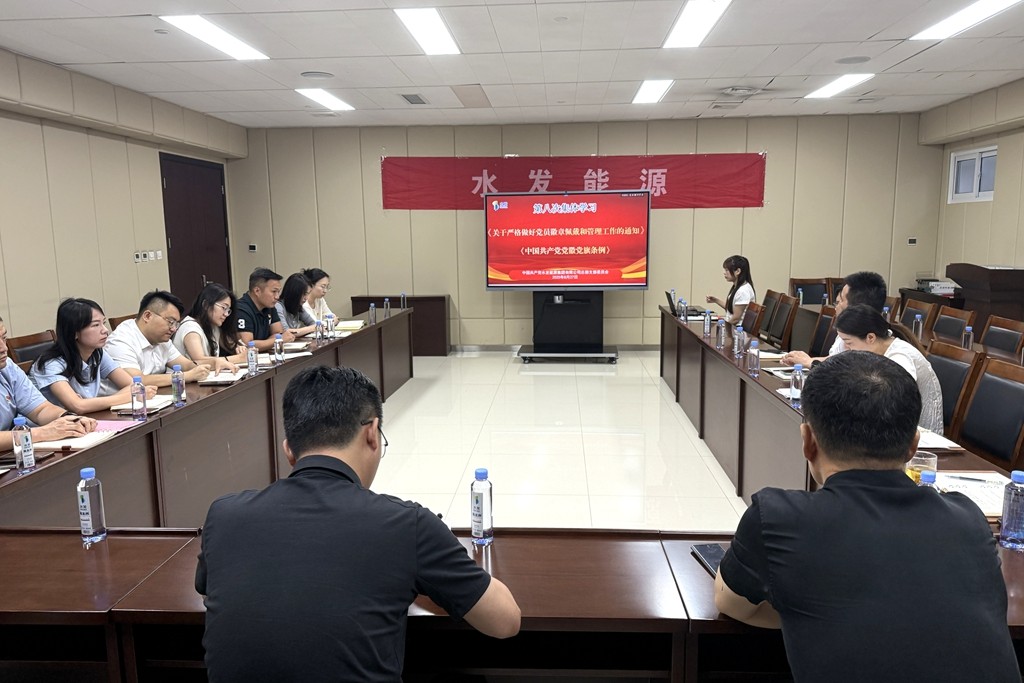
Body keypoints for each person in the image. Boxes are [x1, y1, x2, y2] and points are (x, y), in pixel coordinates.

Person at [196, 366, 521, 682]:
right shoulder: (407, 525)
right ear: (372, 434)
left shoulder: (224, 515)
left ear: (289, 451)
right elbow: (505, 621)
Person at [715, 351, 1019, 682]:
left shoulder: (777, 518)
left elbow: (731, 603)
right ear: (914, 445)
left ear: (808, 441)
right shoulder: (969, 520)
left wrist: (808, 611)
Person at [30, 298, 158, 413]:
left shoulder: (98, 353)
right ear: (74, 332)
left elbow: (132, 385)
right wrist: (127, 396)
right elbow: (78, 406)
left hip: (87, 419)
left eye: (104, 323)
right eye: (96, 325)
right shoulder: (51, 364)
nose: (105, 330)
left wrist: (91, 404)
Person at [834, 304, 944, 433]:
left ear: (870, 337)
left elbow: (891, 401)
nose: (846, 348)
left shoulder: (901, 357)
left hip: (918, 434)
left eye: (848, 343)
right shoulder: (880, 349)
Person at [0, 313, 97, 444]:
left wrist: (70, 419)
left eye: (4, 338)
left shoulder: (8, 367)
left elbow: (40, 409)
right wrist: (42, 433)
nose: (4, 348)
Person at [103, 290, 210, 391]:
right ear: (147, 316)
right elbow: (137, 381)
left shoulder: (161, 339)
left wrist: (200, 368)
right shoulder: (120, 341)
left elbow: (185, 365)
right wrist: (187, 376)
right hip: (123, 401)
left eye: (176, 324)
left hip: (154, 396)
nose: (174, 329)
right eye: (170, 321)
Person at [782, 270, 887, 366]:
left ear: (857, 308)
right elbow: (834, 360)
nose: (836, 306)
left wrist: (810, 363)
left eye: (840, 300)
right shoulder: (848, 330)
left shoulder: (888, 353)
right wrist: (805, 360)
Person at [173, 284, 244, 370]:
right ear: (206, 305)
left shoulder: (212, 325)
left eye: (228, 310)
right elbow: (199, 361)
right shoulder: (190, 328)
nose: (226, 314)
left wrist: (239, 348)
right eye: (224, 308)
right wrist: (238, 358)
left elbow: (230, 344)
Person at [236, 267, 295, 352]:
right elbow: (247, 344)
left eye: (278, 292)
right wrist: (278, 340)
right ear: (257, 291)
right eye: (274, 291)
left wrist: (267, 342)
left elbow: (278, 333)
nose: (277, 297)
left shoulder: (269, 305)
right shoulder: (241, 309)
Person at [705, 255, 754, 326]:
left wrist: (722, 327)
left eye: (727, 270)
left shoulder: (743, 291)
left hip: (737, 329)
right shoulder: (738, 287)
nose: (724, 273)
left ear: (738, 271)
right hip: (732, 327)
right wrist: (716, 300)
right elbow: (731, 309)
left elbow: (735, 319)